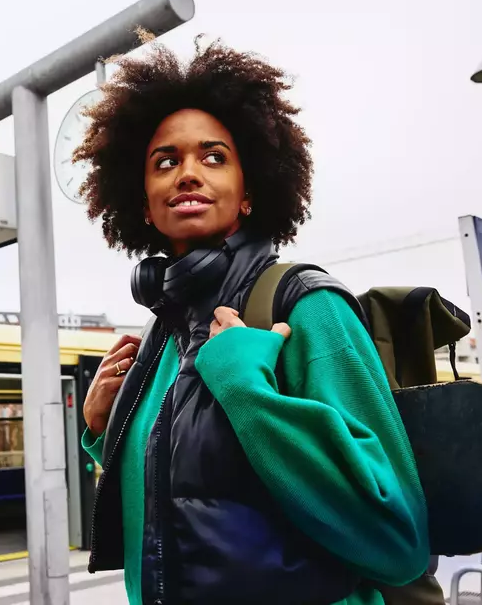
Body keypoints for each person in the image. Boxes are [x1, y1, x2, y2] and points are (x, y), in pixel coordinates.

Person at [75, 37, 430, 605]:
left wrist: (250, 394)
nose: (188, 173)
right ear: (142, 201)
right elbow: (182, 499)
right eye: (165, 162)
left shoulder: (304, 305)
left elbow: (399, 539)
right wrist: (104, 429)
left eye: (214, 157)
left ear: (247, 194)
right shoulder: (161, 332)